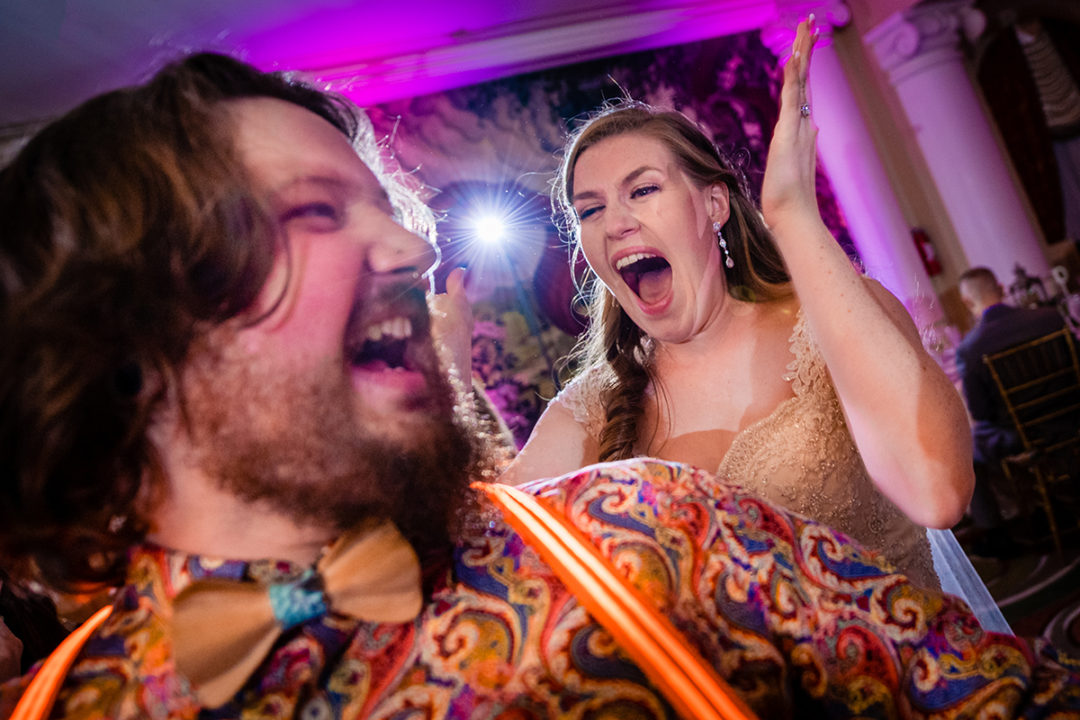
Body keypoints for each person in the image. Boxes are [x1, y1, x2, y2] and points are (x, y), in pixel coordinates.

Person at [1, 30, 1077, 719]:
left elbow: (982, 647)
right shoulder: (61, 702)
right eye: (319, 213)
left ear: (713, 207)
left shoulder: (650, 531)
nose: (416, 250)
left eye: (392, 208)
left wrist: (794, 218)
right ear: (122, 344)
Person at [503, 16, 972, 596]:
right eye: (590, 210)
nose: (616, 224)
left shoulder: (829, 322)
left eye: (643, 190)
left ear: (715, 204)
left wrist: (793, 213)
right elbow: (499, 553)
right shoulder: (592, 406)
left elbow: (939, 492)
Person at [954, 266, 1067, 543]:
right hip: (1071, 418)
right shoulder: (1049, 318)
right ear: (1002, 288)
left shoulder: (971, 348)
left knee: (964, 446)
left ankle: (995, 532)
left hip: (1023, 436)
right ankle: (1048, 498)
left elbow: (981, 412)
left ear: (968, 302)